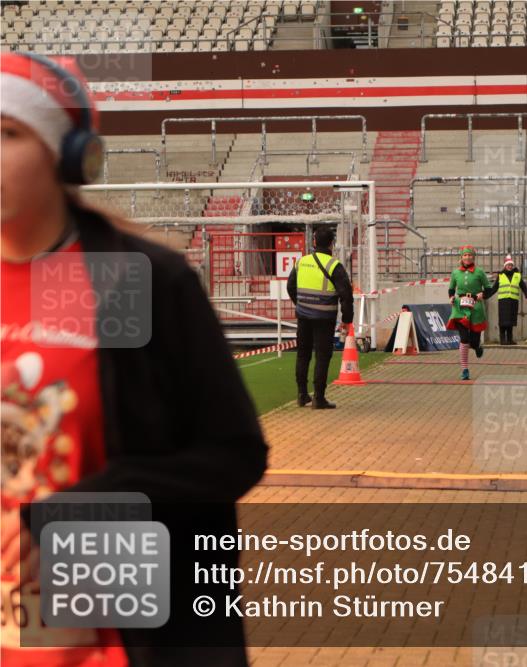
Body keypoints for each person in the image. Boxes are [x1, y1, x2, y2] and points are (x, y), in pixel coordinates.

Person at [1, 52, 267, 666]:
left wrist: (84, 511)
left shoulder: (125, 282)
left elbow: (233, 455)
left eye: (7, 132)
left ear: (65, 154)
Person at [285, 227, 354, 409]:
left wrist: (300, 304)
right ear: (332, 243)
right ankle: (319, 398)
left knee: (303, 354)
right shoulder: (334, 266)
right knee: (322, 356)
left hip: (304, 316)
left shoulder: (302, 262)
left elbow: (290, 286)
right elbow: (346, 295)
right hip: (324, 318)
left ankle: (301, 395)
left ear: (314, 242)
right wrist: (347, 320)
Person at [446, 245, 491, 380]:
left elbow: (488, 289)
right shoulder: (455, 273)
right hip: (460, 308)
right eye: (465, 255)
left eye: (470, 255)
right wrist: (452, 297)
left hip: (476, 307)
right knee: (464, 338)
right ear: (461, 257)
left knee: (474, 341)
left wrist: (482, 294)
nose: (467, 257)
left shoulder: (479, 272)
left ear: (473, 257)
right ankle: (464, 369)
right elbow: (451, 289)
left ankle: (477, 347)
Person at [492, 254, 527, 345]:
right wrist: (485, 295)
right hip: (503, 301)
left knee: (511, 321)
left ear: (512, 266)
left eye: (511, 265)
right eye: (508, 265)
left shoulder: (517, 275)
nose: (509, 267)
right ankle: (502, 340)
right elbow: (494, 288)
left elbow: (523, 286)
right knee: (503, 321)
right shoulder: (501, 275)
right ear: (505, 266)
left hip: (513, 301)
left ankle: (509, 340)